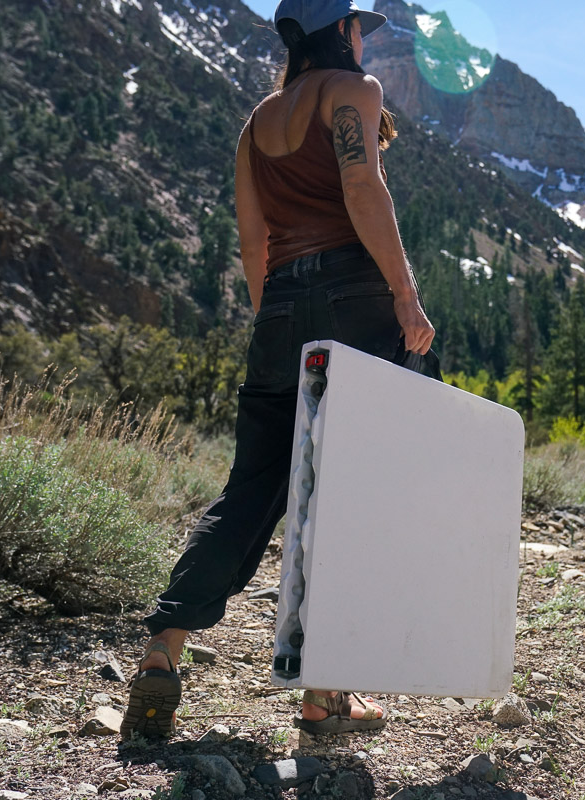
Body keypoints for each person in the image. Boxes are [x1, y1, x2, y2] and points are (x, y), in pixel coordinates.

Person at [120, 0, 435, 740]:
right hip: (358, 300)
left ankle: (161, 655)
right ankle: (326, 693)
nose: (366, 37)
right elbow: (363, 189)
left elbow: (253, 239)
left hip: (281, 308)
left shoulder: (256, 124)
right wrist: (404, 294)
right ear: (342, 31)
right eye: (361, 25)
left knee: (252, 486)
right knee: (363, 491)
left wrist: (281, 320)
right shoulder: (353, 93)